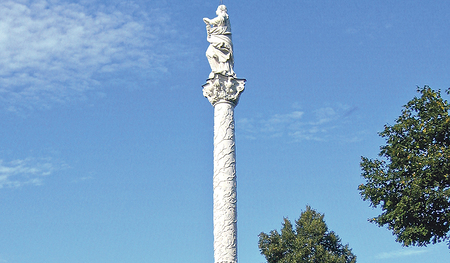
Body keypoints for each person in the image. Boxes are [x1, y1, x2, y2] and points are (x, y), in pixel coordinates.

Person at [203, 5, 235, 78]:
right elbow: (211, 33)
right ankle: (215, 70)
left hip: (222, 40)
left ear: (220, 10)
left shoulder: (224, 15)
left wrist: (209, 21)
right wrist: (208, 26)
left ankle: (224, 70)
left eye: (217, 9)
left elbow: (220, 19)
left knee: (223, 56)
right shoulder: (218, 24)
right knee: (209, 53)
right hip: (216, 40)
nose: (216, 11)